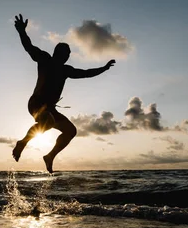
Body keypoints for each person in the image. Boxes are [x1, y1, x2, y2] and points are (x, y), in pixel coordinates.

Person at [12, 14, 115, 173]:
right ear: (57, 53)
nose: (67, 56)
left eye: (68, 54)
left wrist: (104, 68)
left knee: (71, 131)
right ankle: (22, 143)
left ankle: (50, 156)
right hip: (36, 104)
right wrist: (21, 31)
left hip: (50, 109)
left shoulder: (66, 70)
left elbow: (86, 73)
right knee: (49, 120)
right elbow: (29, 47)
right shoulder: (45, 59)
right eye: (64, 53)